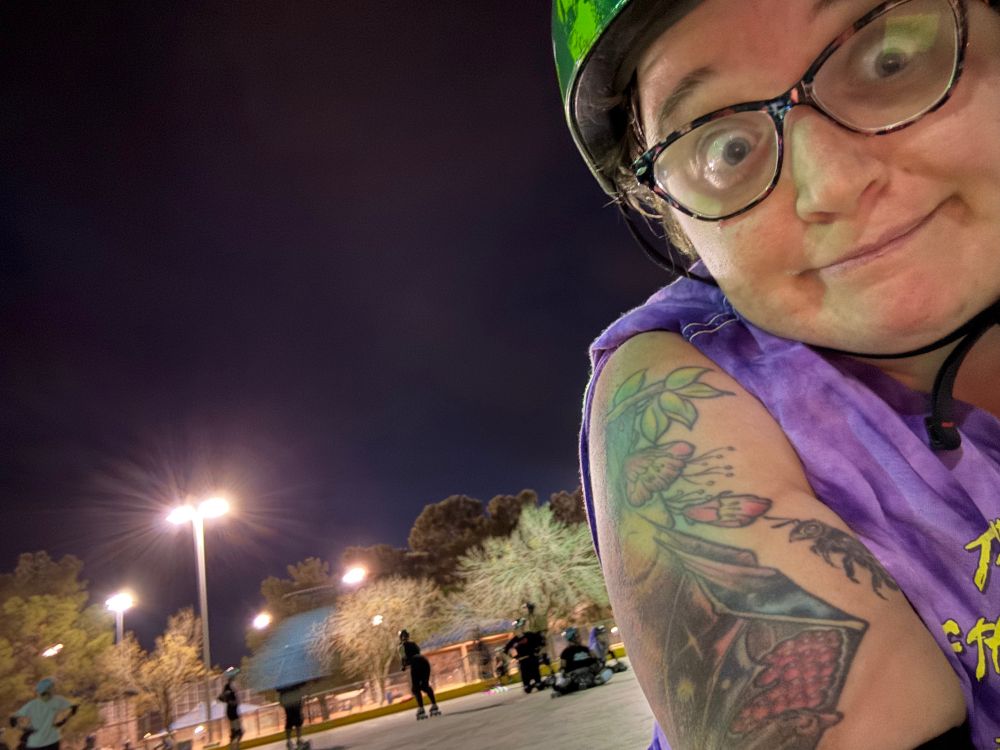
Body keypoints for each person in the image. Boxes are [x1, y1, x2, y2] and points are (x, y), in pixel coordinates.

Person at [554, 0, 1000, 747]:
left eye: (889, 59)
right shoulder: (679, 387)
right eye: (725, 148)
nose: (831, 183)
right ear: (673, 219)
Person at [8, 678, 77, 750]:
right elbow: (73, 709)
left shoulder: (32, 704)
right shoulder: (58, 700)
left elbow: (13, 718)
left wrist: (21, 727)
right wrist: (63, 721)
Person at [551, 627, 607, 696]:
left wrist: (600, 664)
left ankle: (577, 686)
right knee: (565, 680)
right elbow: (563, 668)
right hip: (575, 676)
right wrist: (563, 676)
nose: (579, 637)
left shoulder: (586, 649)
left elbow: (596, 660)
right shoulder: (566, 652)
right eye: (577, 636)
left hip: (589, 672)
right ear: (572, 638)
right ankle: (566, 687)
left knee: (607, 672)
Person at [398, 630, 439, 719]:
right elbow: (418, 653)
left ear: (400, 638)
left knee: (415, 688)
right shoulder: (413, 644)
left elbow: (404, 659)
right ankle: (434, 704)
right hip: (424, 661)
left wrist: (403, 666)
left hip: (416, 663)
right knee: (424, 685)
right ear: (408, 636)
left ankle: (421, 708)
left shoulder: (401, 647)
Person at [502, 619, 546, 693]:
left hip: (532, 658)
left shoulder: (529, 635)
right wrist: (514, 657)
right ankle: (528, 684)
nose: (519, 629)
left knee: (536, 675)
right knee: (526, 682)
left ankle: (538, 682)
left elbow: (541, 641)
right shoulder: (515, 640)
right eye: (517, 628)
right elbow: (506, 650)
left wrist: (538, 650)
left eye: (520, 627)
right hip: (523, 660)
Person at [217, 669, 242, 750]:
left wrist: (231, 701)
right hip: (231, 712)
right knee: (237, 732)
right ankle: (234, 747)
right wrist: (230, 701)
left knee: (237, 732)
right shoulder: (228, 687)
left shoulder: (231, 686)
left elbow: (221, 697)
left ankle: (234, 746)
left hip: (233, 711)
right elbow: (220, 698)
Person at [276, 683, 307, 750]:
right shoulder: (293, 678)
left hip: (288, 699)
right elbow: (302, 685)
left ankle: (291, 741)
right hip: (293, 698)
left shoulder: (282, 679)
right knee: (296, 718)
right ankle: (297, 739)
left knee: (291, 719)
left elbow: (278, 689)